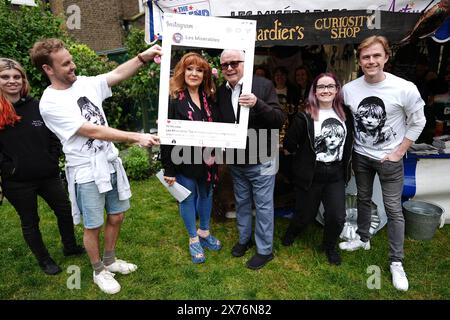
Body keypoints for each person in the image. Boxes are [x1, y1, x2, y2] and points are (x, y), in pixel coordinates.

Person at [30, 38, 161, 294]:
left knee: (117, 215)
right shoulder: (49, 103)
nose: (73, 66)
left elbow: (116, 74)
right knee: (94, 224)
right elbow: (92, 130)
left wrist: (143, 57)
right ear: (48, 69)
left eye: (71, 60)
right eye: (65, 63)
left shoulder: (85, 83)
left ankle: (111, 260)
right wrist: (136, 137)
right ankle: (98, 269)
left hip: (108, 163)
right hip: (86, 170)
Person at [340, 36, 426, 291]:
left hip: (390, 158)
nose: (371, 61)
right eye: (366, 57)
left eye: (376, 56)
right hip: (361, 156)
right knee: (363, 198)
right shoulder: (349, 89)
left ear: (386, 57)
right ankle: (363, 238)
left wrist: (400, 152)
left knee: (393, 209)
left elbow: (419, 121)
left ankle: (396, 262)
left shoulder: (404, 88)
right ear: (359, 60)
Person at [0, 58, 84, 275]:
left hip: (48, 175)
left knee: (65, 211)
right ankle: (45, 260)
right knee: (30, 221)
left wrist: (52, 157)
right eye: (5, 77)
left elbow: (54, 134)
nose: (12, 81)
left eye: (16, 77)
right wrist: (9, 168)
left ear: (23, 79)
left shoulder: (36, 106)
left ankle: (70, 246)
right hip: (17, 182)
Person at [216, 49, 285, 270]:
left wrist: (258, 103)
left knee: (264, 206)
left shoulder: (263, 85)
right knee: (242, 203)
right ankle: (244, 240)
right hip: (236, 161)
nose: (229, 68)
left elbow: (278, 119)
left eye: (234, 63)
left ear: (244, 63)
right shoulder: (221, 92)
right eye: (225, 64)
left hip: (262, 159)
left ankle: (265, 251)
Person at [281, 73, 354, 265]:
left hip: (336, 174)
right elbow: (289, 144)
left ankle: (329, 246)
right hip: (311, 175)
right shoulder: (304, 116)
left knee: (337, 217)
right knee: (305, 216)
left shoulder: (346, 114)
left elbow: (349, 144)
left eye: (330, 86)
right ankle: (292, 232)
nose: (326, 90)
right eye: (321, 87)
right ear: (314, 91)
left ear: (337, 90)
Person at [161, 52, 221, 264]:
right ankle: (193, 238)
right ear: (182, 71)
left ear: (205, 74)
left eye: (199, 70)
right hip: (183, 158)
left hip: (208, 158)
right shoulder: (173, 99)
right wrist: (168, 168)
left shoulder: (210, 98)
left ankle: (204, 232)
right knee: (187, 197)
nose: (194, 73)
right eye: (190, 69)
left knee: (206, 194)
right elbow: (166, 136)